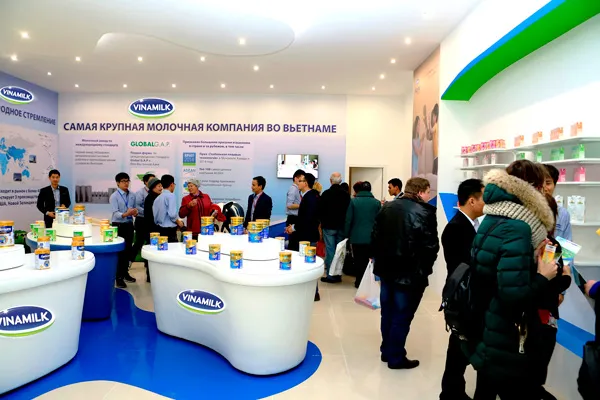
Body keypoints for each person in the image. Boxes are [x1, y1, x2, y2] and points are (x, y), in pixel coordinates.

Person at [470, 161, 558, 399]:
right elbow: (513, 294)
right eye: (542, 187)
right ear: (533, 189)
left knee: (486, 387)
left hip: (487, 319)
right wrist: (543, 276)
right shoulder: (519, 228)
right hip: (506, 329)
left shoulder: (493, 216)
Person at [371, 177, 439, 370]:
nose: (429, 196)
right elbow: (431, 247)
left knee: (388, 312)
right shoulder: (425, 212)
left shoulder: (387, 208)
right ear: (420, 192)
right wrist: (424, 270)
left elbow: (375, 237)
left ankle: (387, 350)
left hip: (386, 270)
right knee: (402, 315)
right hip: (410, 274)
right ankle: (396, 357)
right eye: (428, 192)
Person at [440, 179, 484, 400]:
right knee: (459, 345)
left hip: (467, 296)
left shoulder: (471, 225)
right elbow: (462, 266)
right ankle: (451, 391)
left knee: (460, 346)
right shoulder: (456, 228)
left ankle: (452, 390)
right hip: (463, 296)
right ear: (472, 200)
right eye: (484, 198)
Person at [534, 193, 572, 400]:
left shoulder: (520, 238)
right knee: (539, 357)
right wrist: (566, 279)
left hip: (524, 312)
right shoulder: (549, 244)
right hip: (541, 314)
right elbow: (550, 282)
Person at [285, 173, 321, 300]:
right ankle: (311, 292)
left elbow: (307, 219)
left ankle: (313, 293)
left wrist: (294, 227)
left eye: (300, 181)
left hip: (307, 236)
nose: (298, 183)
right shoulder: (312, 196)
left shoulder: (309, 197)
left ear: (306, 183)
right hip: (308, 234)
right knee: (307, 264)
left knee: (308, 265)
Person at [344, 181, 381, 288]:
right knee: (369, 261)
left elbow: (348, 220)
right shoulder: (376, 203)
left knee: (358, 260)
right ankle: (369, 283)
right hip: (372, 237)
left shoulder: (353, 201)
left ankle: (359, 281)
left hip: (356, 237)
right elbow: (380, 221)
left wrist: (346, 234)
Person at [319, 172, 351, 284]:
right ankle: (338, 274)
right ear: (340, 181)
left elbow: (321, 211)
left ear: (330, 181)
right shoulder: (346, 195)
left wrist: (321, 224)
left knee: (330, 250)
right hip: (341, 226)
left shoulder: (326, 194)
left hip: (328, 226)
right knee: (340, 251)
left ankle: (330, 275)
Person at [109, 172, 138, 289]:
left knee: (128, 251)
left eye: (127, 181)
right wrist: (126, 213)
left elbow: (134, 209)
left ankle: (125, 273)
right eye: (123, 181)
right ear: (117, 183)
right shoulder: (114, 196)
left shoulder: (132, 195)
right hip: (118, 225)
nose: (126, 183)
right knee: (120, 252)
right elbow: (116, 213)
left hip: (129, 225)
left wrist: (135, 212)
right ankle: (118, 278)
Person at [132, 173, 155, 279]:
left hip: (151, 221)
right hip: (141, 220)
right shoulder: (140, 193)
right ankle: (129, 261)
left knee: (150, 242)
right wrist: (148, 212)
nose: (153, 182)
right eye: (150, 180)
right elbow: (137, 206)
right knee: (139, 242)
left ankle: (148, 264)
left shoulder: (156, 193)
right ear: (145, 182)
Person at [543, 164, 572, 241]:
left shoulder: (563, 214)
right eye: (540, 183)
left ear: (554, 185)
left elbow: (567, 243)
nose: (544, 188)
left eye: (548, 183)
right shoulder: (527, 211)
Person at [154, 174, 184, 242]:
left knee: (163, 247)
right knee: (172, 248)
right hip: (169, 230)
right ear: (172, 184)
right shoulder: (171, 196)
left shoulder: (158, 197)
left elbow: (155, 215)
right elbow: (172, 215)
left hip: (160, 228)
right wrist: (179, 222)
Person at [143, 177, 162, 282]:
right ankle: (151, 276)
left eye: (161, 186)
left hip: (154, 229)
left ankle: (152, 276)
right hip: (152, 230)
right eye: (158, 186)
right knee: (152, 252)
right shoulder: (151, 198)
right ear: (153, 187)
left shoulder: (156, 197)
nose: (161, 188)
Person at [286, 169, 304, 250]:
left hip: (296, 218)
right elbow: (289, 205)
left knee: (296, 243)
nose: (302, 182)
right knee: (294, 243)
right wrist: (303, 205)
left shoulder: (298, 189)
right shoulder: (293, 189)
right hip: (293, 219)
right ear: (296, 179)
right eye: (300, 180)